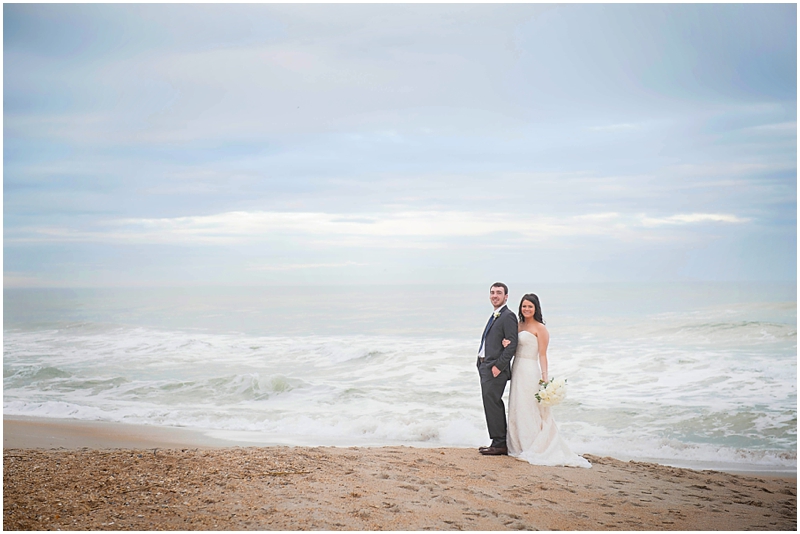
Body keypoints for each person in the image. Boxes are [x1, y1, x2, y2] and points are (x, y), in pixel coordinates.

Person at [503, 293, 591, 467]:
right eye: (524, 306)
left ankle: (533, 445)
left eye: (530, 306)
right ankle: (517, 444)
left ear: (536, 308)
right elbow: (515, 348)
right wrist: (506, 345)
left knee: (530, 407)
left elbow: (542, 354)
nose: (526, 309)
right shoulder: (518, 325)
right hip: (517, 368)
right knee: (517, 405)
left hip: (530, 369)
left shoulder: (540, 328)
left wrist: (544, 377)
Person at [476, 282, 518, 456]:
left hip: (494, 368)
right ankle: (496, 441)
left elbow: (512, 344)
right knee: (490, 404)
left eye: (499, 293)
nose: (495, 295)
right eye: (492, 292)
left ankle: (500, 443)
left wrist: (498, 367)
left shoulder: (507, 316)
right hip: (485, 366)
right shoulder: (496, 315)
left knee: (493, 404)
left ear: (506, 296)